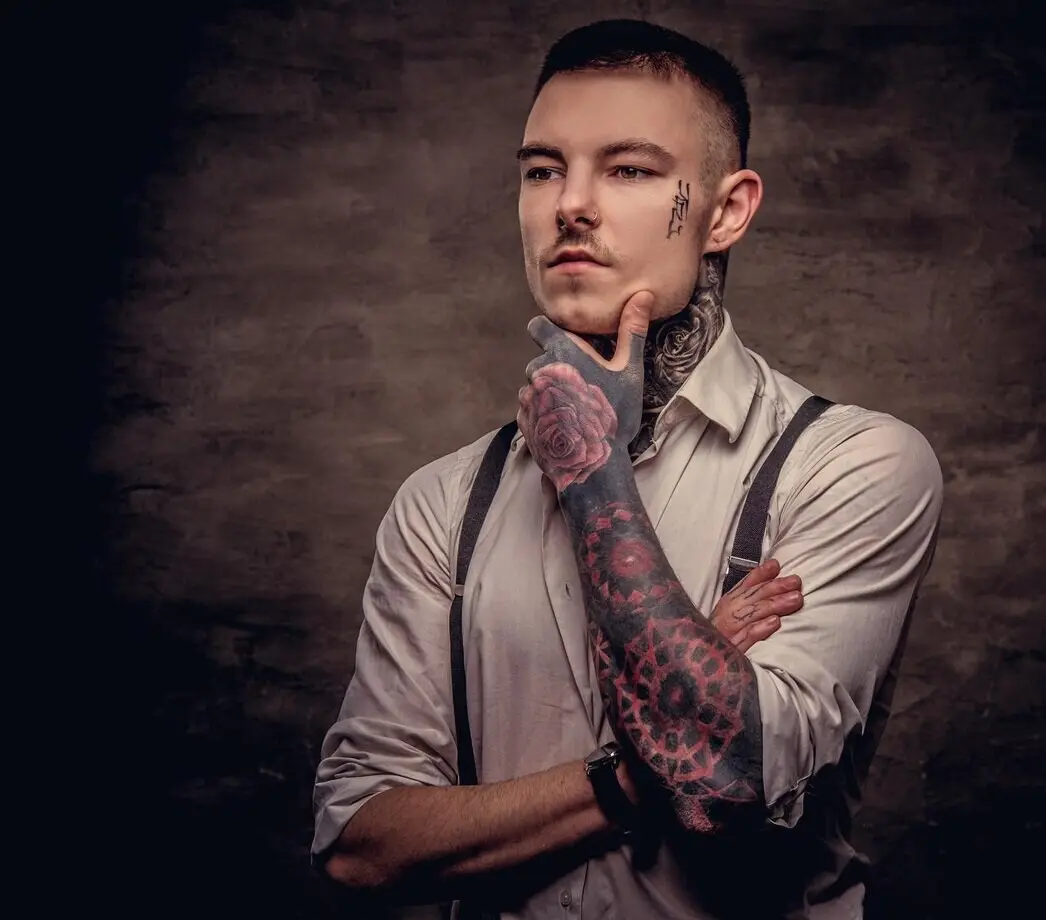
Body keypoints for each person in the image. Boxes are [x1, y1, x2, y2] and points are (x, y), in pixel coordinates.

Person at [312, 18, 943, 919]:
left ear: (725, 211)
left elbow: (726, 771)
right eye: (543, 170)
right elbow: (360, 845)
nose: (571, 204)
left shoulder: (850, 465)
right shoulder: (442, 502)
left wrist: (592, 471)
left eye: (630, 170)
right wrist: (665, 730)